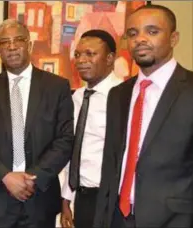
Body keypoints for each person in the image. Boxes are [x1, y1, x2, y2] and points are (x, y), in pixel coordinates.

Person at [94, 4, 193, 228]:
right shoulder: (118, 94)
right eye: (132, 33)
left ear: (174, 38)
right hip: (118, 219)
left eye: (152, 31)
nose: (140, 39)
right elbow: (110, 164)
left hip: (175, 220)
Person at [0, 19, 74, 228]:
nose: (11, 47)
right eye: (5, 42)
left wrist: (32, 178)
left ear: (29, 45)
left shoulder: (57, 87)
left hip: (40, 199)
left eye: (18, 40)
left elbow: (65, 140)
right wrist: (6, 176)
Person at [60, 30, 123, 228]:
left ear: (110, 58)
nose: (81, 60)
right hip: (83, 198)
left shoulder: (124, 97)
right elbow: (74, 149)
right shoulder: (76, 98)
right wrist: (66, 199)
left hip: (114, 199)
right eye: (77, 55)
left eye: (90, 53)